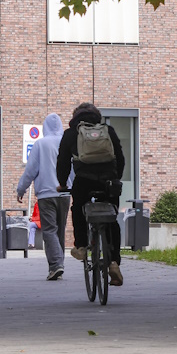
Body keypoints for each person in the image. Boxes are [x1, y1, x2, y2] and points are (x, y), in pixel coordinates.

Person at [55, 102, 126, 286]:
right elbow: (120, 157)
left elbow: (63, 161)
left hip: (84, 180)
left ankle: (81, 246)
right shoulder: (108, 130)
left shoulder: (71, 133)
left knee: (78, 207)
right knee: (111, 218)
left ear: (75, 116)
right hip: (109, 181)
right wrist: (116, 178)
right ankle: (114, 262)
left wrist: (62, 184)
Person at [15, 113, 70, 280]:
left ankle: (56, 265)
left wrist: (21, 189)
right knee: (59, 230)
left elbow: (31, 170)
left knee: (49, 231)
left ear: (45, 127)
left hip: (46, 194)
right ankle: (58, 264)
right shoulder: (66, 143)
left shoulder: (40, 144)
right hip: (65, 193)